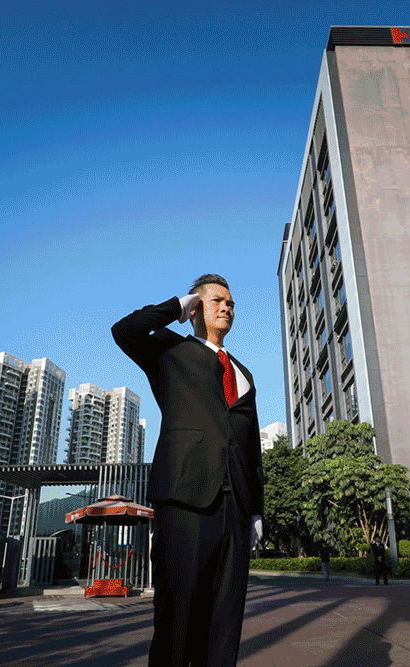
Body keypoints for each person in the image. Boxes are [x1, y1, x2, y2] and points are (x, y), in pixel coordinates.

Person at [112, 274, 265, 667]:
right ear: (196, 306)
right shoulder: (170, 350)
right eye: (216, 300)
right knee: (177, 616)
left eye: (231, 303)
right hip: (184, 498)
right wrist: (180, 304)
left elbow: (251, 446)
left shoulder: (245, 373)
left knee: (225, 620)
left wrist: (256, 511)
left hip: (236, 508)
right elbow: (124, 330)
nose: (226, 307)